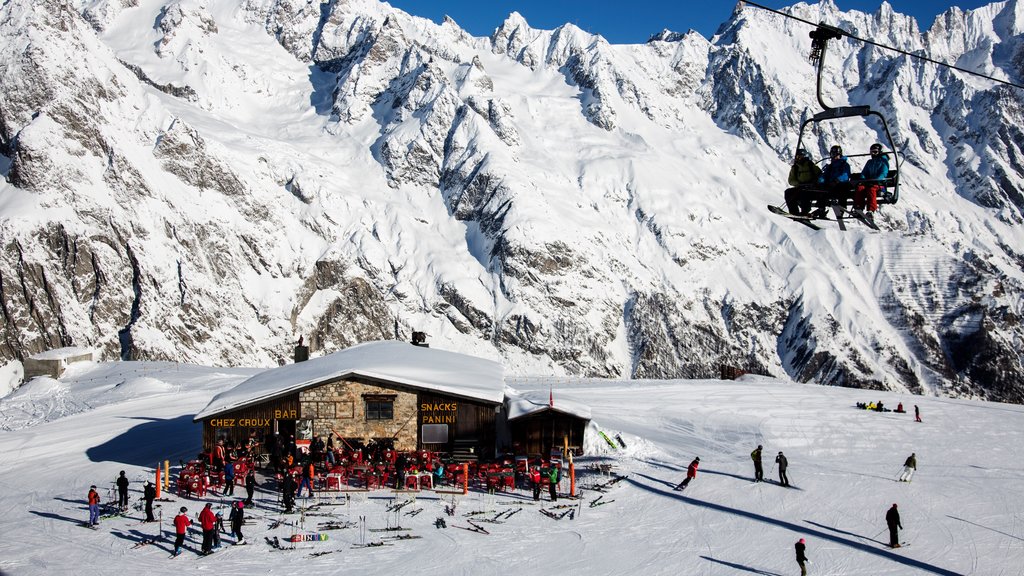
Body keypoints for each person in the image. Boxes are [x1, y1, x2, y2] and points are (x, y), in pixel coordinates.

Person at [812, 145, 851, 217]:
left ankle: (842, 208)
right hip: (830, 185)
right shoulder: (830, 166)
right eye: (832, 155)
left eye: (835, 155)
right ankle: (821, 209)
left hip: (840, 184)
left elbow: (846, 175)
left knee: (842, 188)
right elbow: (824, 175)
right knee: (821, 189)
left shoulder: (844, 165)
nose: (834, 156)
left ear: (840, 155)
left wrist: (837, 180)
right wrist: (820, 181)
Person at [853, 143, 889, 214]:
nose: (873, 154)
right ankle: (858, 208)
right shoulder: (870, 162)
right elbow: (864, 173)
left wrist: (875, 181)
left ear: (880, 152)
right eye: (871, 152)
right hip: (869, 183)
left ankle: (871, 210)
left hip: (880, 185)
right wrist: (862, 180)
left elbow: (883, 173)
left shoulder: (884, 162)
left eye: (875, 152)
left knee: (871, 189)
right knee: (860, 188)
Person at [784, 148, 822, 215]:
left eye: (800, 156)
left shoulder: (810, 165)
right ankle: (794, 212)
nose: (798, 158)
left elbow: (820, 175)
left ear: (804, 156)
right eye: (797, 157)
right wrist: (798, 183)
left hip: (812, 189)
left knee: (804, 193)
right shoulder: (795, 168)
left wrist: (814, 183)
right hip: (800, 187)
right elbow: (791, 180)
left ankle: (805, 212)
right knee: (788, 193)